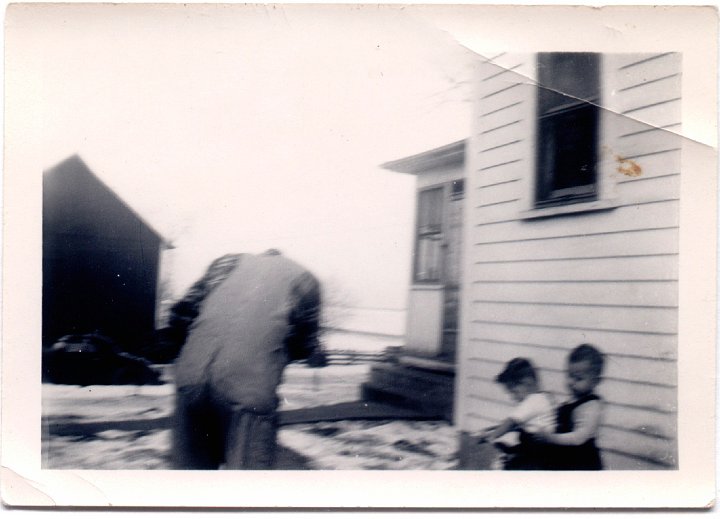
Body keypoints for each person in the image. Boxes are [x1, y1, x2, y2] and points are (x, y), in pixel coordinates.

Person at [168, 249, 323, 469]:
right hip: (249, 390)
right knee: (245, 487)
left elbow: (179, 316)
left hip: (189, 379)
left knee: (190, 486)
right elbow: (305, 345)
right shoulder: (305, 281)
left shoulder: (226, 263)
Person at [534, 344, 605, 470]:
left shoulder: (592, 406)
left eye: (578, 378)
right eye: (569, 375)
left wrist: (551, 438)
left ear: (596, 381)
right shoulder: (575, 399)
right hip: (565, 456)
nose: (571, 382)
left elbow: (579, 437)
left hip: (580, 462)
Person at [478, 357, 556, 470]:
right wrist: (493, 429)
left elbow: (511, 422)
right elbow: (516, 424)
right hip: (537, 447)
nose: (513, 397)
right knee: (509, 447)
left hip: (538, 452)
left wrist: (492, 436)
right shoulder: (543, 397)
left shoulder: (533, 401)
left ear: (528, 383)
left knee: (509, 460)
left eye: (514, 392)